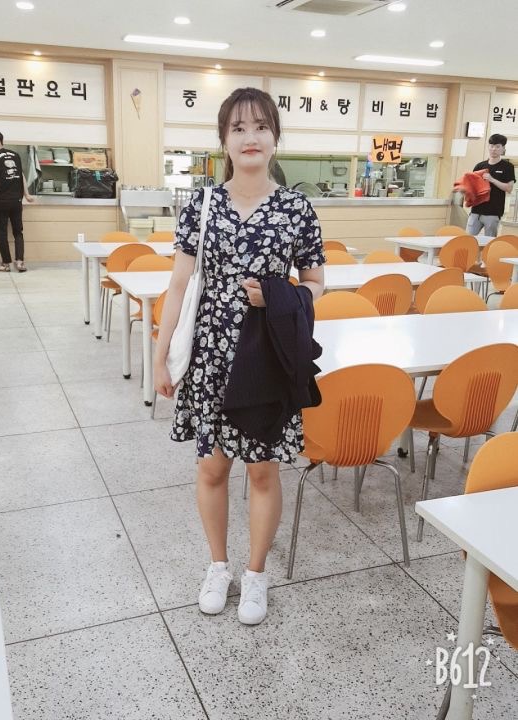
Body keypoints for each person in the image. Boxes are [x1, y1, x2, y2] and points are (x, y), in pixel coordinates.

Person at [153, 87, 325, 625]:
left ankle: (255, 574)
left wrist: (278, 296)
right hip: (210, 354)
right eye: (238, 128)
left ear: (275, 138)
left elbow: (316, 282)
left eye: (261, 127)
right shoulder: (203, 204)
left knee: (263, 471)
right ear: (224, 140)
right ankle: (218, 566)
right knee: (211, 467)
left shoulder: (297, 208)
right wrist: (160, 356)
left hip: (265, 354)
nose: (251, 137)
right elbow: (179, 286)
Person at [0, 129, 34, 272]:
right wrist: (27, 194)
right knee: (18, 232)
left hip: (2, 201)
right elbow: (21, 176)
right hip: (16, 200)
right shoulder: (15, 155)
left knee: (2, 233)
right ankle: (20, 263)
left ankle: (5, 264)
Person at [465, 133, 515, 237]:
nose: (494, 149)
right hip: (476, 211)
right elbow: (473, 187)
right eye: (491, 146)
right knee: (468, 239)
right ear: (488, 147)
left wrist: (492, 180)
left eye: (497, 146)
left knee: (489, 242)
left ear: (503, 149)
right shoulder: (480, 166)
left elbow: (509, 188)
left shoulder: (508, 167)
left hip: (493, 212)